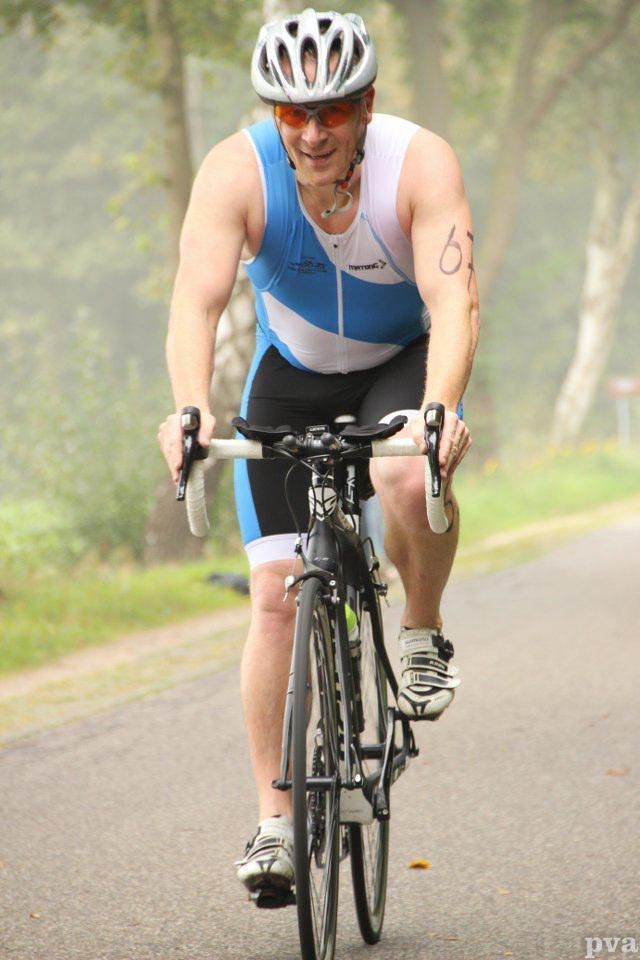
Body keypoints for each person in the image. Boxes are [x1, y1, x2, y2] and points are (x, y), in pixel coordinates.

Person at [158, 7, 479, 903]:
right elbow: (195, 301)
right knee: (273, 593)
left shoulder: (419, 163)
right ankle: (274, 824)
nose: (312, 132)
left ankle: (421, 626)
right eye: (293, 113)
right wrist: (189, 407)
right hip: (291, 374)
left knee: (404, 470)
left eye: (332, 111)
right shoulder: (237, 171)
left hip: (399, 363)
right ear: (273, 113)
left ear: (366, 105)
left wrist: (439, 410)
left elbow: (454, 302)